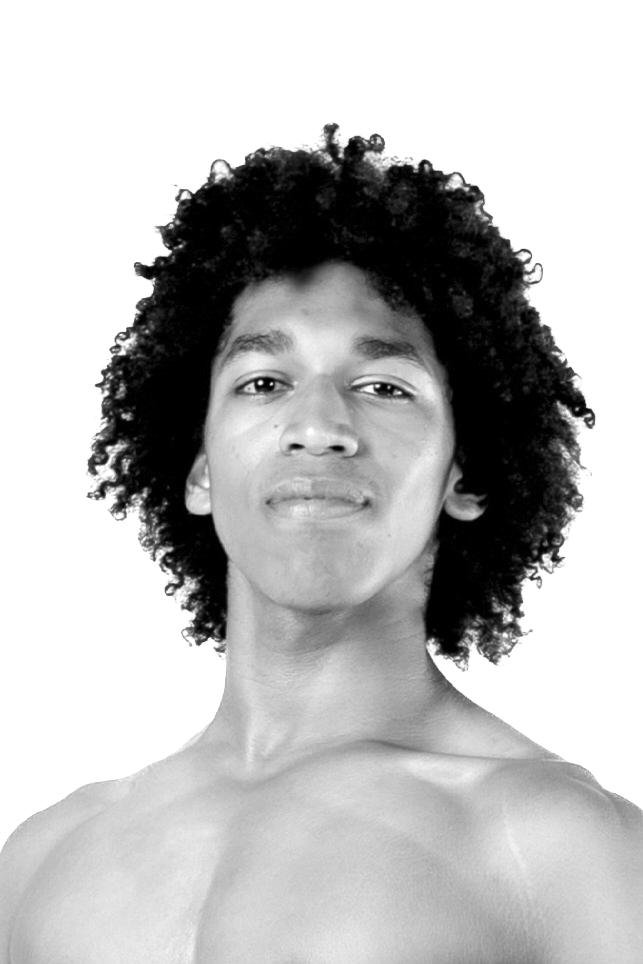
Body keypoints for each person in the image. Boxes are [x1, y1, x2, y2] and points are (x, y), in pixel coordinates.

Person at [2, 126, 641, 962]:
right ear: (198, 468)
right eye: (263, 382)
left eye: (382, 386)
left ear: (465, 473)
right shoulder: (36, 858)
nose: (317, 425)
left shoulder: (563, 846)